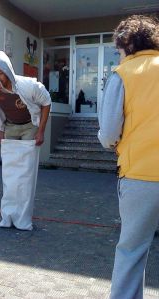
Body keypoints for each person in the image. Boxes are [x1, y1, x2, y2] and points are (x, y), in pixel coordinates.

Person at [97, 15, 159, 299]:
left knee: (132, 249)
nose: (118, 54)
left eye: (118, 47)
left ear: (128, 43)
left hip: (140, 174)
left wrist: (111, 143)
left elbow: (109, 132)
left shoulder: (124, 73)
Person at [0, 51, 51, 230]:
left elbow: (46, 102)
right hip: (10, 127)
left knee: (25, 173)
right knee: (9, 172)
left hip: (30, 126)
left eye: (0, 72)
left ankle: (23, 219)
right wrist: (1, 131)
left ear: (7, 71)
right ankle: (7, 216)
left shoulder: (27, 85)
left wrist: (41, 131)